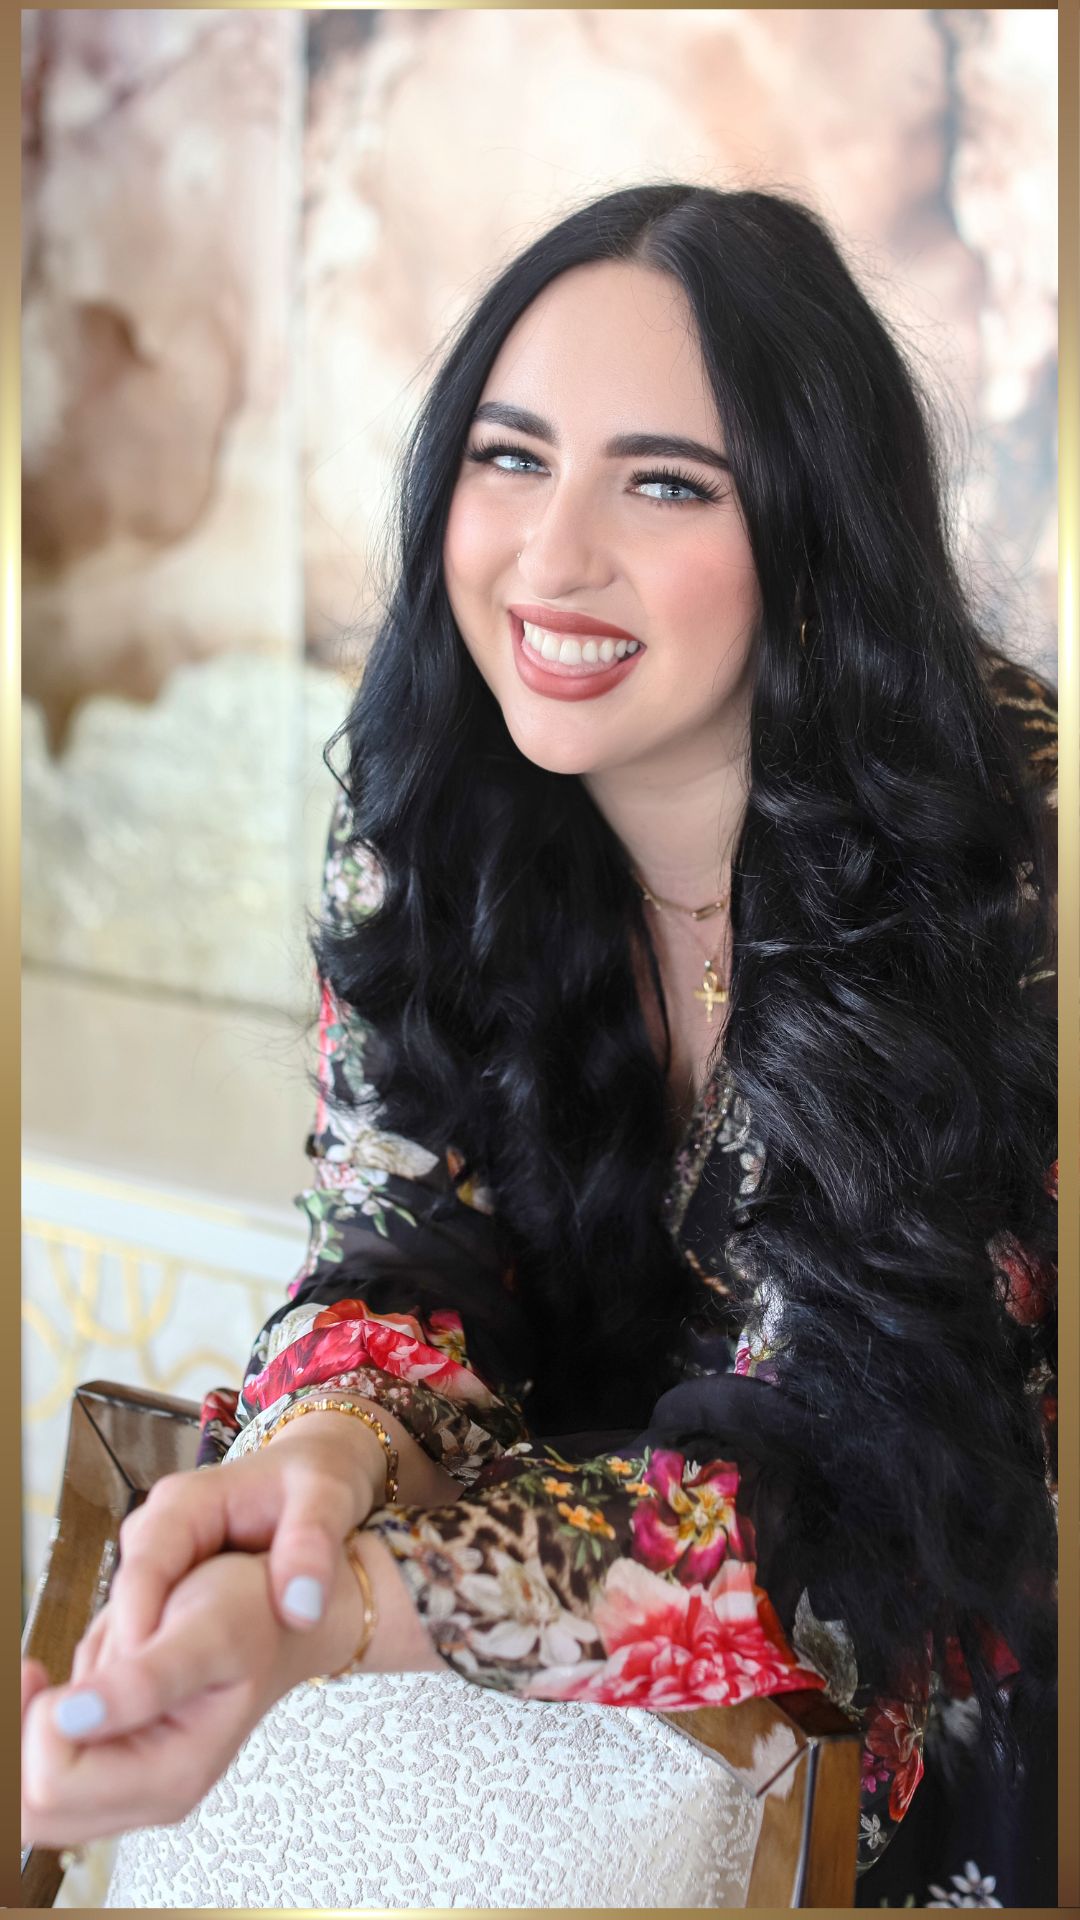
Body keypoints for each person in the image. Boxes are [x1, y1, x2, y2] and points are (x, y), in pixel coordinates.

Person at [22, 182, 1058, 1909]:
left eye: (665, 481)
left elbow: (852, 1490)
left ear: (815, 530)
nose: (551, 554)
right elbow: (395, 1243)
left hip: (896, 1707)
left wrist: (356, 1606)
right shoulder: (435, 782)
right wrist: (311, 1477)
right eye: (510, 458)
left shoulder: (1002, 846)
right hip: (522, 1639)